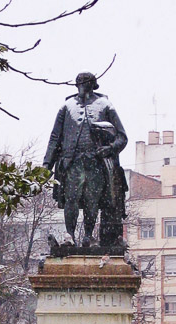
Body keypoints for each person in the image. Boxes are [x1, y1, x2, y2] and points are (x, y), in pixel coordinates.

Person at [43, 71, 128, 246]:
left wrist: (109, 149)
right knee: (71, 198)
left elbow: (122, 137)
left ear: (93, 84)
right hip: (72, 162)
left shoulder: (105, 105)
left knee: (92, 200)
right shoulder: (66, 107)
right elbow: (55, 138)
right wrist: (46, 165)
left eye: (86, 83)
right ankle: (69, 236)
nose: (82, 86)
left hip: (96, 162)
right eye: (80, 83)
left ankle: (88, 236)